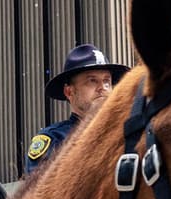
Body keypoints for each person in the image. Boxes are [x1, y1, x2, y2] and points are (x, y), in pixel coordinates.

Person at [24, 43, 129, 174]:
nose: (102, 87)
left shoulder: (126, 133)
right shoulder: (54, 139)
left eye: (107, 81)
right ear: (69, 92)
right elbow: (41, 191)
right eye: (92, 81)